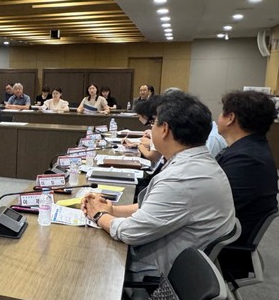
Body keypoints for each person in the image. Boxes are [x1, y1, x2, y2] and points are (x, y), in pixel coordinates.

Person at [81, 92, 235, 278]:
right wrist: (112, 210)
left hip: (155, 271)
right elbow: (153, 207)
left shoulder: (181, 179)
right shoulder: (196, 162)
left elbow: (130, 232)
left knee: (81, 255)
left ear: (165, 129)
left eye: (154, 123)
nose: (150, 128)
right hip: (169, 254)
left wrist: (98, 214)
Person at [216, 90, 278, 246]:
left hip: (224, 241)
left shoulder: (247, 159)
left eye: (222, 112)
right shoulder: (249, 149)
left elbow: (215, 206)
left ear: (230, 118)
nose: (218, 117)